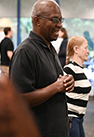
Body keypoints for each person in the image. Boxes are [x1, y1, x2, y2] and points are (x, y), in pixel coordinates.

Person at [9, 0, 75, 137]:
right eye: (55, 19)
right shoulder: (25, 51)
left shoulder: (50, 49)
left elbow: (54, 81)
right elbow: (18, 100)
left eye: (61, 19)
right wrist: (56, 87)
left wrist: (66, 82)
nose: (60, 25)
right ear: (37, 21)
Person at [63, 36, 91, 137]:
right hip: (71, 118)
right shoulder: (69, 69)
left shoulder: (79, 69)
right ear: (76, 49)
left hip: (78, 119)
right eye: (85, 48)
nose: (87, 51)